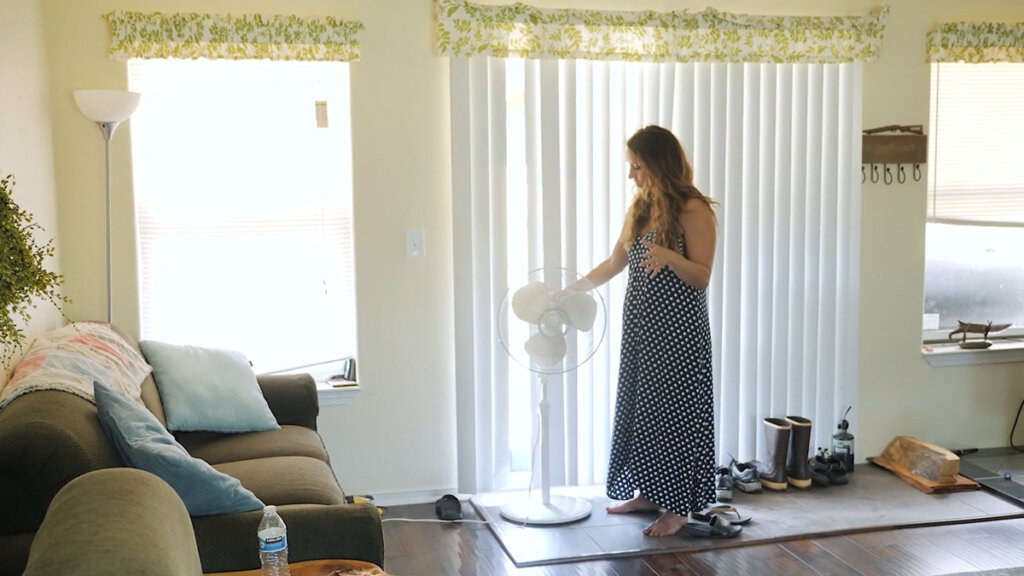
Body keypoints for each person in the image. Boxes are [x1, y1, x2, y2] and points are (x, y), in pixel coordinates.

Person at [579, 125, 717, 537]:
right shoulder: (640, 208)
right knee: (644, 411)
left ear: (657, 164)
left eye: (637, 166)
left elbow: (703, 276)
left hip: (679, 335)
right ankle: (648, 492)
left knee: (673, 414)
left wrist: (670, 256)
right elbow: (612, 263)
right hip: (642, 332)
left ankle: (677, 508)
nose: (631, 175)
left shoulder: (694, 209)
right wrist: (569, 289)